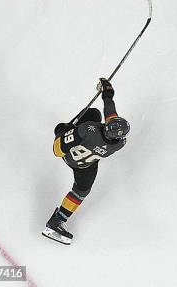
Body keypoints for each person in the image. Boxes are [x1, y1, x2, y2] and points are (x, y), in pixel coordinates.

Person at [42, 78, 130, 245]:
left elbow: (57, 150)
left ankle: (67, 128)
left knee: (94, 113)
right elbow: (111, 113)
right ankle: (58, 220)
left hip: (68, 155)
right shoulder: (119, 144)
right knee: (81, 191)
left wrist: (62, 130)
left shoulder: (89, 129)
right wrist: (108, 93)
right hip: (85, 166)